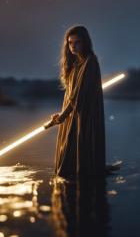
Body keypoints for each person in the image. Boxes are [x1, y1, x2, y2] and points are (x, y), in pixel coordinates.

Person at [49, 25, 106, 180]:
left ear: (85, 42)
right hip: (72, 115)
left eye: (77, 42)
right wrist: (63, 115)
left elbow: (78, 96)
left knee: (79, 158)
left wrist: (62, 116)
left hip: (84, 116)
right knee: (68, 159)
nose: (73, 46)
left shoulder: (90, 62)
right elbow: (70, 96)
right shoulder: (74, 65)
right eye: (70, 43)